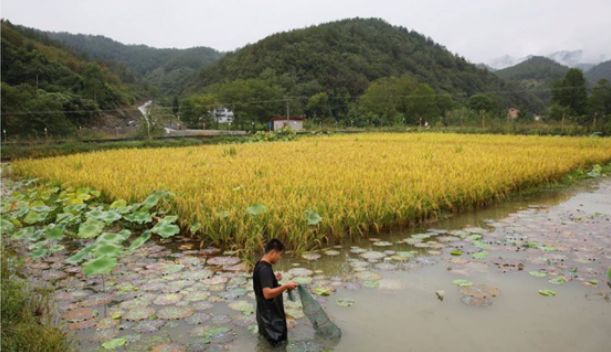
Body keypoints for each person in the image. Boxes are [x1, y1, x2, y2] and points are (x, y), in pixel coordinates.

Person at [252, 238, 298, 346]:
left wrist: (273, 278)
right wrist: (286, 286)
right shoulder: (265, 270)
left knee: (266, 343)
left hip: (263, 316)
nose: (279, 258)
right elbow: (267, 294)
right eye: (279, 255)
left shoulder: (259, 264)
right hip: (271, 320)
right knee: (278, 345)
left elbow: (260, 284)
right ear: (273, 252)